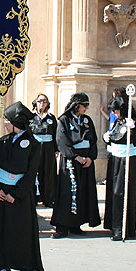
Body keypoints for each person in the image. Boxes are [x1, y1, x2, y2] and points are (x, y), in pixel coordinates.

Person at [0, 101, 45, 271]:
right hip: (1, 193)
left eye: (7, 119)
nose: (4, 123)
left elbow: (30, 173)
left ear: (16, 122)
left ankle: (28, 267)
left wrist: (16, 193)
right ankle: (3, 265)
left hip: (20, 195)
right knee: (1, 228)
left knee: (22, 230)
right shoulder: (1, 142)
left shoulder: (33, 144)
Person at [50, 92, 101, 238]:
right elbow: (62, 141)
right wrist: (76, 156)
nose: (86, 108)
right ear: (77, 105)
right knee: (67, 193)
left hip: (86, 163)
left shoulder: (87, 120)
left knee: (83, 192)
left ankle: (76, 224)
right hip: (72, 161)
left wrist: (91, 157)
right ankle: (62, 226)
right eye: (84, 105)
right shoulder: (64, 120)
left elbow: (93, 140)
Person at [102, 96, 136, 241]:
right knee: (113, 191)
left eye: (115, 110)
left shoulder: (132, 122)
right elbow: (114, 136)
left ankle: (122, 228)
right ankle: (113, 225)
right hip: (114, 159)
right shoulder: (118, 121)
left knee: (121, 192)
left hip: (126, 160)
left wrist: (134, 129)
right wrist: (107, 137)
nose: (114, 113)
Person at [28, 93, 58, 207]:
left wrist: (56, 149)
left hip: (48, 147)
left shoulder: (51, 117)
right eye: (40, 101)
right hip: (35, 147)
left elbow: (56, 133)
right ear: (35, 103)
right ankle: (33, 197)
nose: (42, 103)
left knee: (48, 173)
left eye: (44, 101)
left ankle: (48, 198)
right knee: (33, 172)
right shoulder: (31, 117)